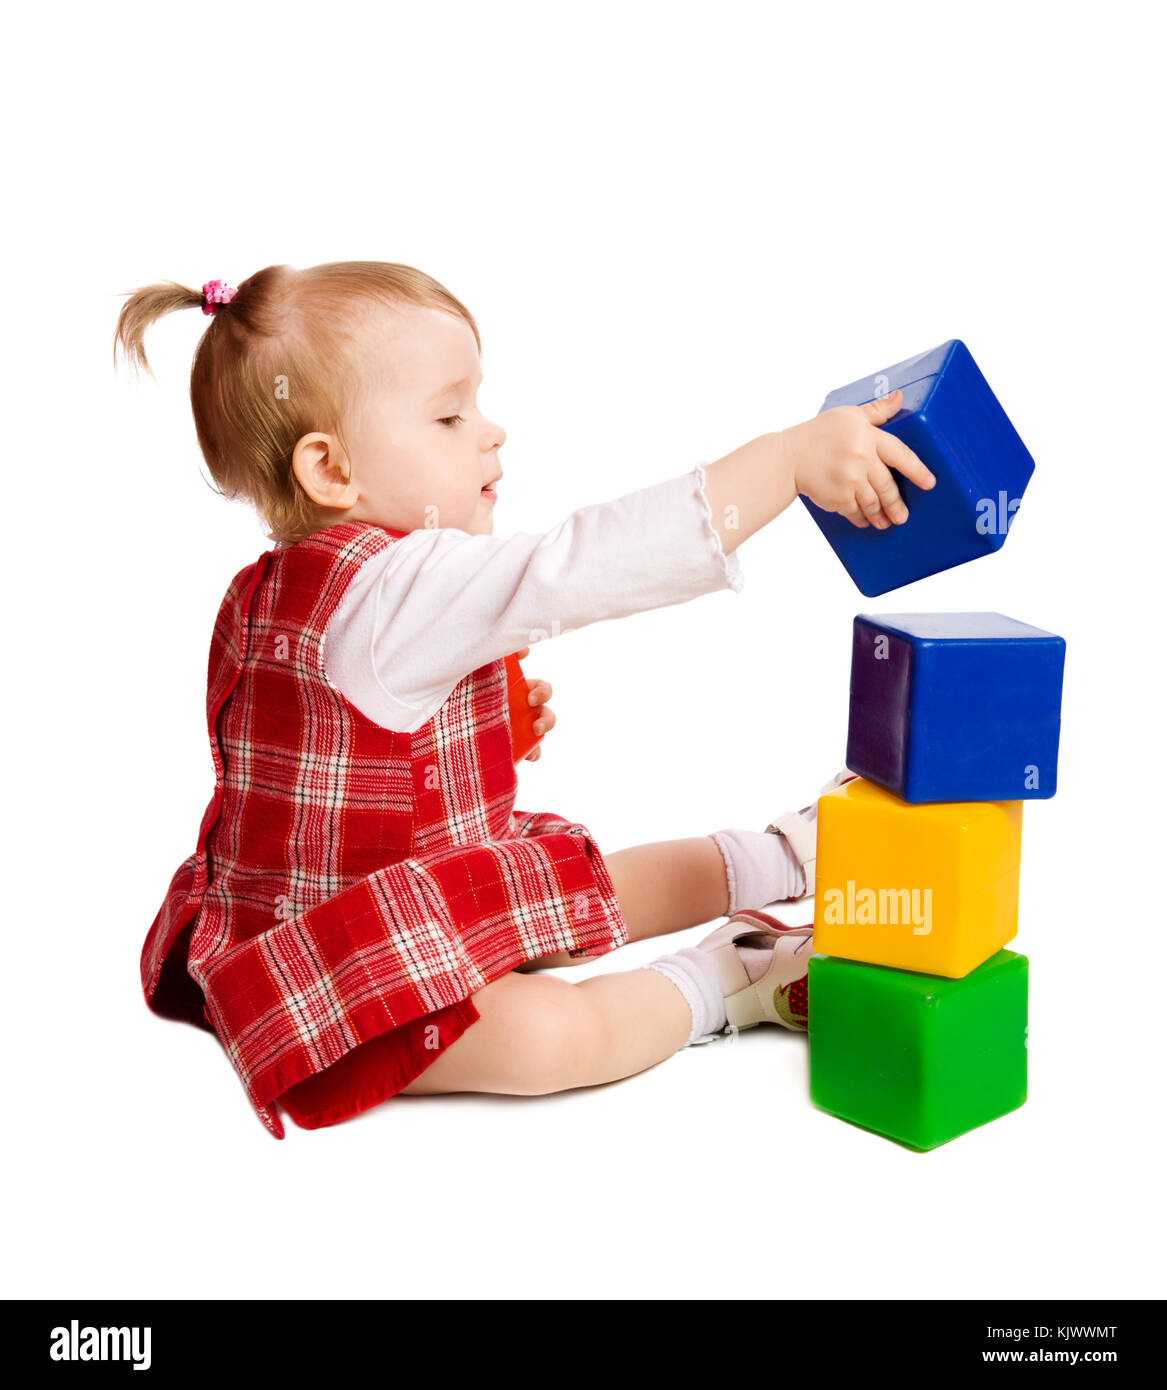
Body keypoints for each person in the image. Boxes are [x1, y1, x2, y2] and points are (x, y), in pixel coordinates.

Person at [116, 262, 934, 1138]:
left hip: (371, 894)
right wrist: (786, 461)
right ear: (330, 467)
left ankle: (787, 857)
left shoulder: (270, 589)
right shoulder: (403, 584)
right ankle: (731, 980)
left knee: (585, 889)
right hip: (346, 957)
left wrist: (476, 738)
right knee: (548, 1040)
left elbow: (322, 751)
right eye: (448, 415)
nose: (489, 432)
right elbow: (580, 564)